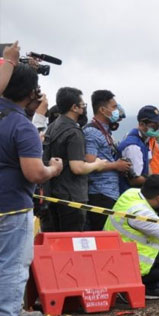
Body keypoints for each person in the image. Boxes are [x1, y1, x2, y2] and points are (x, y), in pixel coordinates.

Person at [0, 63, 63, 316]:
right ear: (31, 93)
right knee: (13, 264)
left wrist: (10, 61)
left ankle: (11, 311)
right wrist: (54, 169)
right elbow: (34, 172)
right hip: (13, 206)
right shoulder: (22, 127)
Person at [105, 175, 159, 300]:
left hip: (115, 252)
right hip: (128, 260)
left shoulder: (131, 193)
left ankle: (144, 286)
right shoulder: (141, 213)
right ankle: (131, 286)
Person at [42, 87, 107, 232]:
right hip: (72, 197)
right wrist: (97, 164)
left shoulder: (52, 127)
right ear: (74, 108)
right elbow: (77, 167)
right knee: (70, 242)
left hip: (52, 193)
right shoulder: (74, 132)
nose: (84, 108)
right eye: (82, 104)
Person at [83, 90, 131, 230]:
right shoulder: (92, 132)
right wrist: (116, 165)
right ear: (103, 110)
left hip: (110, 192)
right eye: (114, 107)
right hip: (99, 193)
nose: (117, 110)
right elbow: (90, 163)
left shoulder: (105, 131)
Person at [119, 106, 159, 190]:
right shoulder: (133, 146)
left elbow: (148, 166)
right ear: (142, 124)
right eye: (154, 126)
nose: (157, 130)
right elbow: (134, 180)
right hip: (129, 193)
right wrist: (157, 178)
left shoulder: (145, 140)